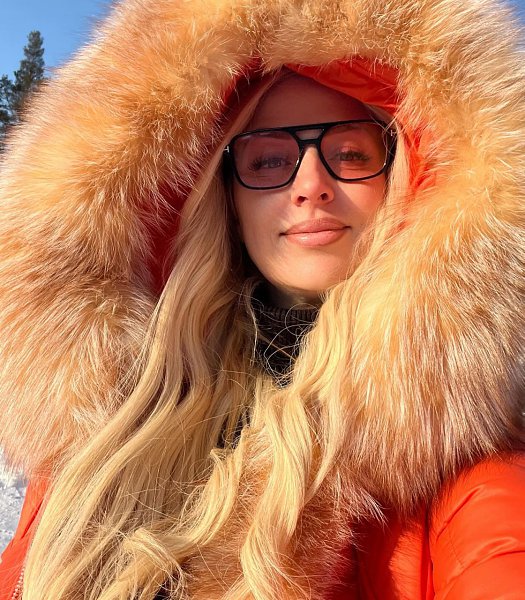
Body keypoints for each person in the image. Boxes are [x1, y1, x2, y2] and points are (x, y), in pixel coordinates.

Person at [0, 0, 523, 598]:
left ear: (405, 176)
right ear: (225, 198)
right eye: (271, 159)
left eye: (350, 153)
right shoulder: (113, 425)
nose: (311, 185)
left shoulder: (467, 467)